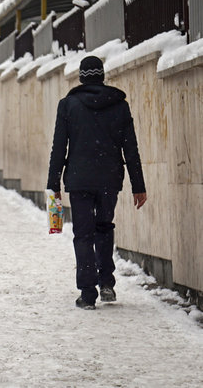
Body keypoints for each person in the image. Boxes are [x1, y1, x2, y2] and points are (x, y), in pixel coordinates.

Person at [47, 55, 147, 311]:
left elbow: (59, 147)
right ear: (102, 75)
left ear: (81, 77)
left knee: (83, 234)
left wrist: (53, 183)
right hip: (109, 178)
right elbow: (131, 148)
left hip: (79, 180)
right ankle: (107, 284)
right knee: (104, 227)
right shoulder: (119, 105)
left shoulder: (68, 105)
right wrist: (138, 185)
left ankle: (88, 293)